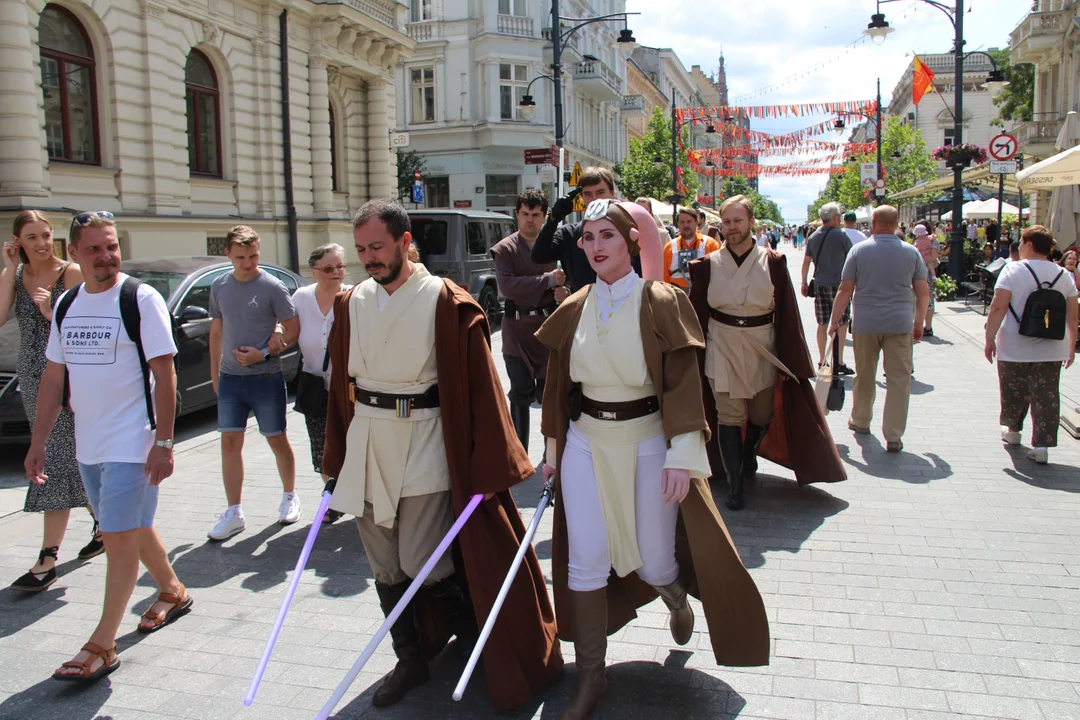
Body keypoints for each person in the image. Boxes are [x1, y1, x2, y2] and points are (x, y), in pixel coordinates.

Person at [322, 200, 562, 710]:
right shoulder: (352, 302)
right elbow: (340, 388)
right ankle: (408, 656)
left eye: (378, 247)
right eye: (361, 249)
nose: (369, 258)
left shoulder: (443, 300)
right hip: (368, 441)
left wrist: (492, 461)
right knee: (384, 563)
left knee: (421, 557)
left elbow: (481, 386)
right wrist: (336, 459)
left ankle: (471, 627)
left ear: (405, 242)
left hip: (425, 439)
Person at [536, 199, 769, 719]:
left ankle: (676, 596)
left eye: (608, 237)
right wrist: (552, 453)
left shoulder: (661, 300)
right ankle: (590, 681)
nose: (596, 247)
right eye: (589, 238)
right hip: (584, 443)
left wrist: (682, 455)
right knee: (585, 560)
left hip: (648, 441)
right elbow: (557, 390)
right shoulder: (572, 307)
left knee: (656, 559)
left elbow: (683, 382)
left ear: (630, 242)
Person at [27, 211, 190, 682]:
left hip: (133, 443)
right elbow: (54, 376)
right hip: (87, 445)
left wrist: (163, 441)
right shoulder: (66, 304)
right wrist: (39, 441)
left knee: (116, 540)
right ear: (74, 253)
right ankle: (173, 589)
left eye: (112, 246)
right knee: (132, 528)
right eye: (94, 248)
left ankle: (102, 644)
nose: (106, 256)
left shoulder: (139, 298)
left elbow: (165, 374)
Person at [690, 195, 846, 510]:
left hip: (763, 343)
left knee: (761, 414)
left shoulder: (773, 261)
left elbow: (787, 308)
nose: (732, 228)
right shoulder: (706, 265)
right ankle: (735, 485)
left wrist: (794, 356)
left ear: (751, 222)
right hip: (722, 342)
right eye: (727, 221)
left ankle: (749, 455)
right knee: (728, 415)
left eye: (738, 221)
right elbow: (696, 311)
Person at [3, 212, 102, 592]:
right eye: (33, 237)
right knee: (66, 457)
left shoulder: (71, 273)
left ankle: (47, 558)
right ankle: (105, 523)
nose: (43, 243)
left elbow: (87, 326)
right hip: (32, 377)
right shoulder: (16, 276)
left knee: (55, 459)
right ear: (19, 242)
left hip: (66, 376)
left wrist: (50, 312)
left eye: (46, 235)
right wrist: (8, 269)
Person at [207, 226, 301, 541]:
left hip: (266, 377)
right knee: (229, 443)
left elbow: (292, 329)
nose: (248, 263)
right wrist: (215, 372)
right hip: (231, 378)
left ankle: (290, 495)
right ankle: (234, 511)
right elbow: (217, 332)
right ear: (228, 255)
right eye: (241, 257)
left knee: (276, 439)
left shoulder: (272, 287)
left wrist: (262, 353)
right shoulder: (220, 285)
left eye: (253, 256)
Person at [828, 206, 929, 453]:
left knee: (864, 374)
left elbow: (845, 289)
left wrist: (834, 320)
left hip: (866, 323)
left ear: (873, 222)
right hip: (899, 323)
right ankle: (893, 435)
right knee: (899, 379)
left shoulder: (858, 251)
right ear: (896, 224)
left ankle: (861, 420)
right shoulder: (911, 252)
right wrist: (919, 322)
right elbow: (923, 293)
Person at [985, 226, 1078, 464]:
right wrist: (1071, 344)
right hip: (1052, 347)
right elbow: (1072, 315)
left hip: (1014, 344)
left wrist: (989, 338)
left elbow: (998, 306)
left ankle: (1013, 431)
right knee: (1046, 395)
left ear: (1028, 245)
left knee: (1014, 389)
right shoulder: (1064, 275)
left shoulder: (1013, 270)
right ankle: (1042, 446)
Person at [491, 189, 565, 453]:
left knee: (549, 393)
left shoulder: (556, 245)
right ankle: (520, 453)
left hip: (548, 327)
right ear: (517, 215)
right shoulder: (505, 249)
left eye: (535, 214)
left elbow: (569, 281)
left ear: (544, 216)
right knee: (520, 393)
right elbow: (508, 287)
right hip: (516, 330)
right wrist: (547, 280)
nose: (530, 220)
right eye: (525, 214)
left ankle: (551, 452)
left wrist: (562, 292)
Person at [291, 243, 351, 525]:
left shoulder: (352, 296)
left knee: (353, 444)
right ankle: (334, 499)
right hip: (315, 384)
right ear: (314, 272)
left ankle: (360, 498)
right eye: (329, 268)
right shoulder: (301, 298)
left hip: (349, 387)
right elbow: (289, 330)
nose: (337, 272)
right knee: (322, 448)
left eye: (340, 266)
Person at [531, 167, 618, 293]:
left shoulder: (627, 229)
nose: (595, 199)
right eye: (588, 194)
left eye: (600, 192)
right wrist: (553, 219)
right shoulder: (570, 234)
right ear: (581, 196)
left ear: (612, 193)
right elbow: (539, 256)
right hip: (586, 307)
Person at [802, 203, 854, 374]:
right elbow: (852, 259)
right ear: (836, 218)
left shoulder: (814, 236)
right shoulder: (842, 236)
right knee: (842, 322)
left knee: (822, 323)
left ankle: (822, 360)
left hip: (820, 284)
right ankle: (838, 360)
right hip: (840, 286)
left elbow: (806, 262)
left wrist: (803, 282)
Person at [662, 207, 721, 291]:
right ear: (677, 224)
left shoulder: (710, 244)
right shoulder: (669, 247)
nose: (686, 225)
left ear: (696, 223)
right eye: (682, 222)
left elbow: (718, 274)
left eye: (689, 221)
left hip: (703, 297)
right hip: (677, 297)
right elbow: (665, 278)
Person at [912, 223, 939, 337]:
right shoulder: (932, 241)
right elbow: (933, 258)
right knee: (929, 299)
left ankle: (922, 326)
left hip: (919, 273)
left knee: (920, 299)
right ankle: (927, 327)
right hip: (927, 273)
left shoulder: (916, 243)